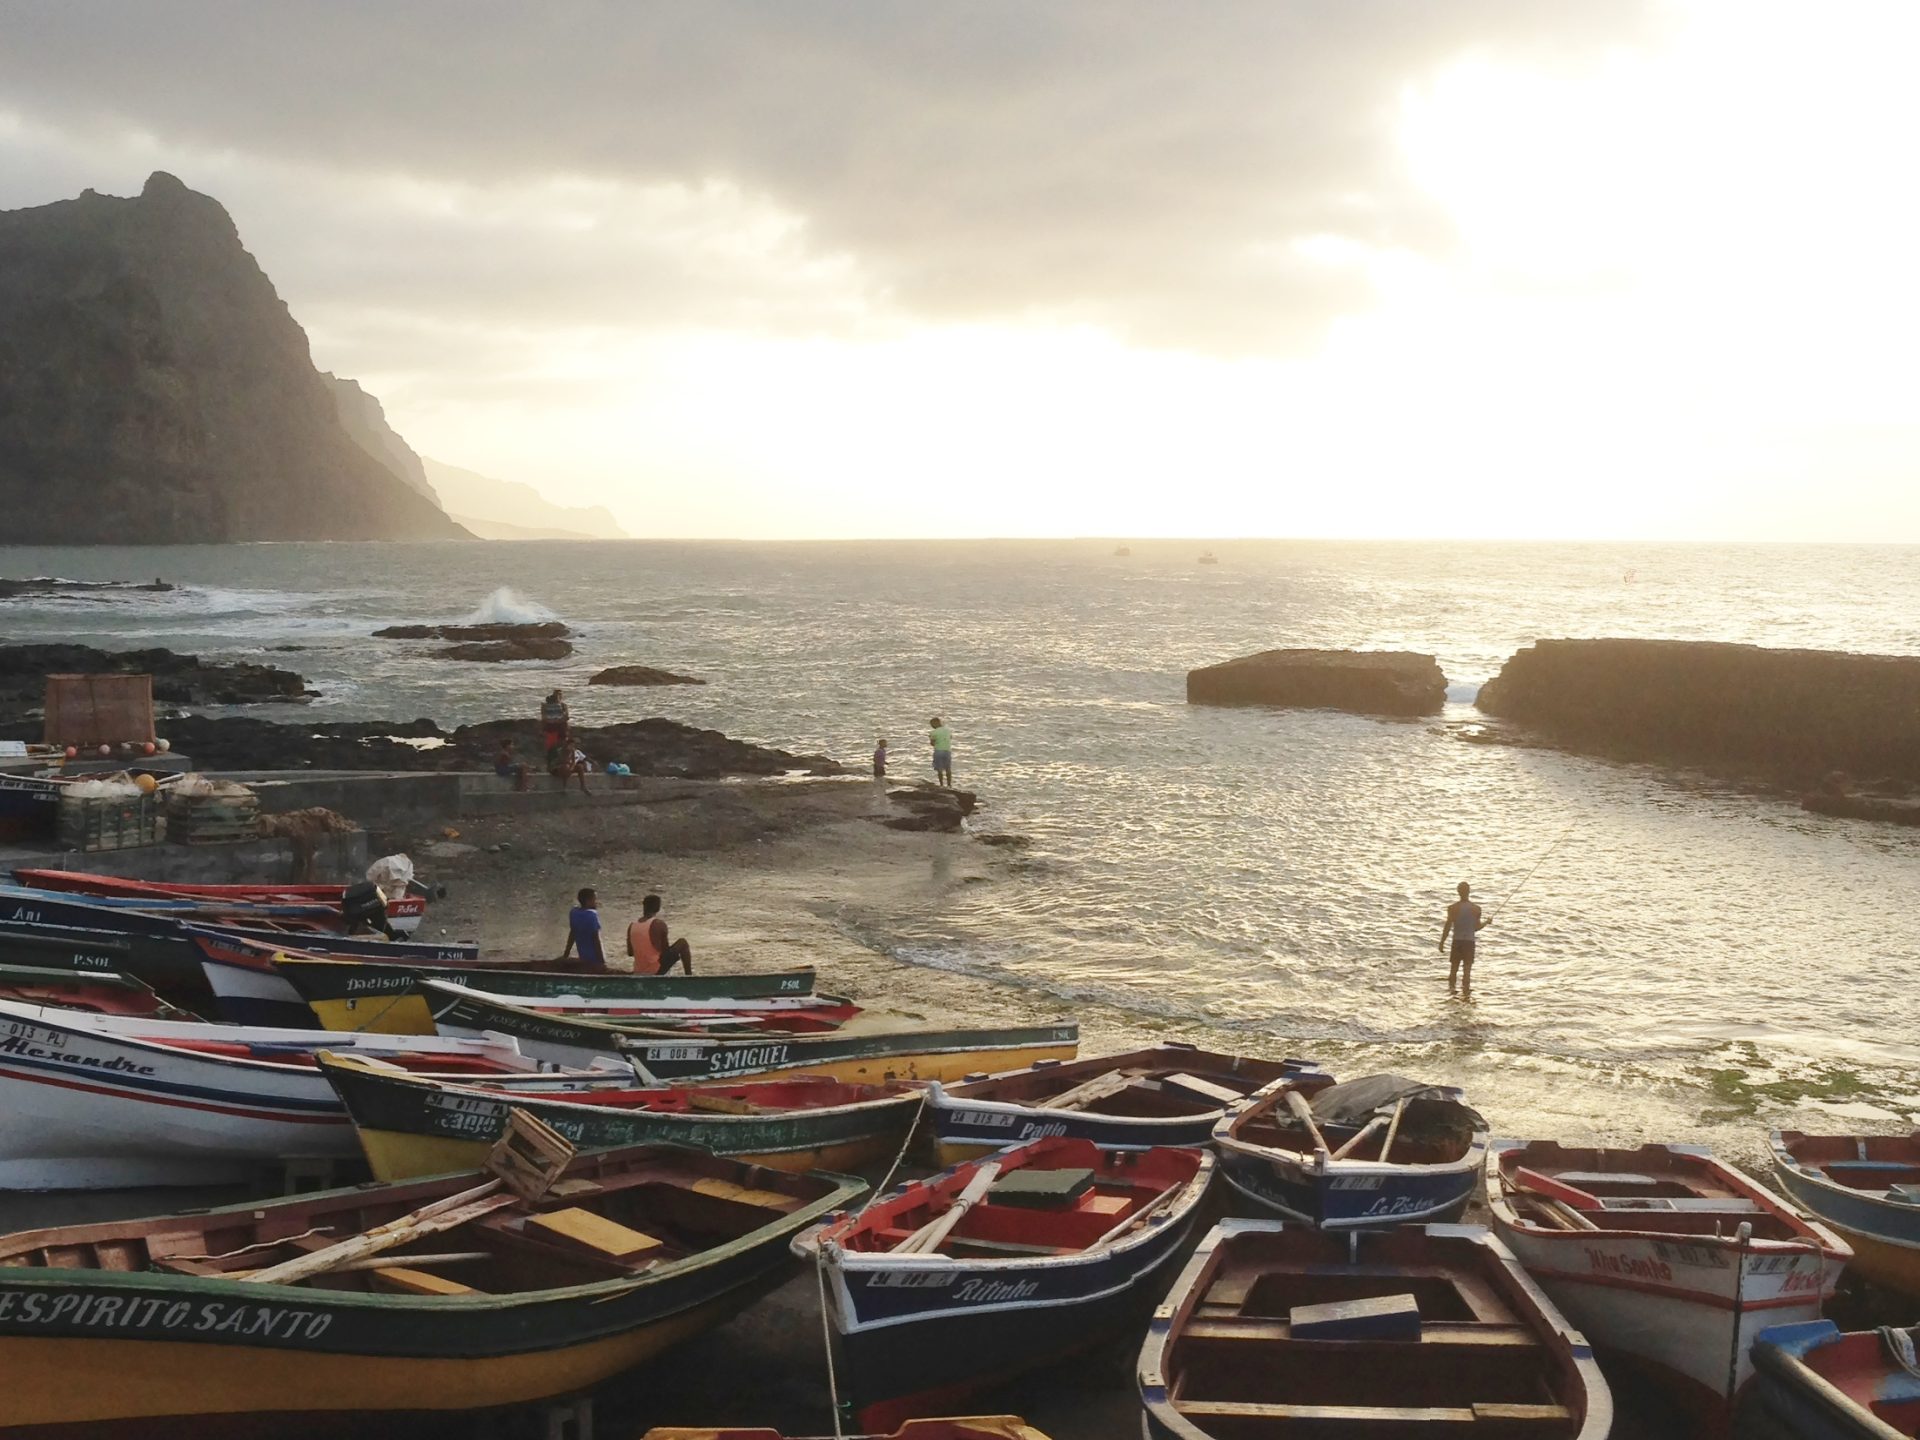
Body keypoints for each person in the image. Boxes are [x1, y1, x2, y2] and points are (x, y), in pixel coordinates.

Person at [1439, 881, 1489, 1001]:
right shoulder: (1476, 909)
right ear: (1469, 891)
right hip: (1469, 943)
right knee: (1467, 971)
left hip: (1457, 941)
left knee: (1453, 970)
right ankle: (1466, 995)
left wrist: (1442, 942)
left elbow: (1447, 926)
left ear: (1458, 892)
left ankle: (1452, 994)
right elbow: (1476, 928)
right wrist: (1487, 922)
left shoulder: (1452, 908)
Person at [626, 893, 693, 975]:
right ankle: (689, 975)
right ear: (658, 908)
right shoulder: (658, 924)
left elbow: (630, 953)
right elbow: (664, 951)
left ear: (644, 906)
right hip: (656, 970)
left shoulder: (632, 926)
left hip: (639, 970)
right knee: (682, 943)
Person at [557, 886, 606, 969]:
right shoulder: (592, 915)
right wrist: (602, 962)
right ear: (588, 901)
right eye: (594, 900)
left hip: (583, 957)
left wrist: (566, 954)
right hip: (595, 959)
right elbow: (596, 940)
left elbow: (572, 934)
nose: (596, 902)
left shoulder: (574, 913)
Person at [540, 689, 570, 767]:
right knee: (551, 746)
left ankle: (561, 762)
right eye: (557, 694)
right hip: (551, 728)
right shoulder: (545, 705)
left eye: (560, 694)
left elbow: (566, 716)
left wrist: (558, 720)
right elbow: (543, 717)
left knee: (562, 745)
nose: (559, 696)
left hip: (560, 727)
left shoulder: (563, 705)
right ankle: (550, 763)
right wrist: (551, 721)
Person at [928, 716, 953, 787]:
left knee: (939, 769)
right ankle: (949, 784)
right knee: (948, 769)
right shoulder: (947, 730)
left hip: (938, 751)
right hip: (947, 751)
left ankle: (941, 784)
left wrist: (930, 738)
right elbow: (950, 738)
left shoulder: (934, 732)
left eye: (932, 725)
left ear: (935, 724)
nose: (932, 726)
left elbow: (932, 744)